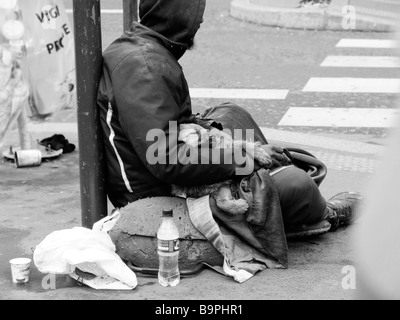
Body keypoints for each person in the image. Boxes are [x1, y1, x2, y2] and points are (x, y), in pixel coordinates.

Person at [97, 0, 362, 244]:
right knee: (296, 183)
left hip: (170, 168)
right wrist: (246, 158)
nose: (199, 23)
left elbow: (174, 125)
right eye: (196, 16)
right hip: (161, 193)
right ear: (180, 17)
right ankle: (321, 213)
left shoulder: (146, 49)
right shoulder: (144, 67)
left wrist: (220, 136)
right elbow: (167, 158)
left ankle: (271, 193)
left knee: (232, 115)